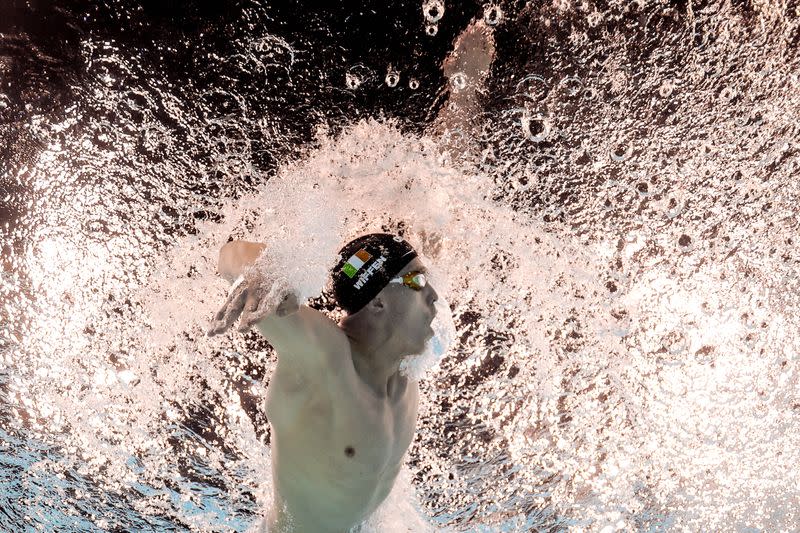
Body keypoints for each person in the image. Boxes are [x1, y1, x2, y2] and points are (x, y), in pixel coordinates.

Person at [208, 233, 439, 533]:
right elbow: (229, 256)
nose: (434, 295)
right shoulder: (326, 362)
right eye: (418, 282)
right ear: (378, 303)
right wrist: (265, 273)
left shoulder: (404, 369)